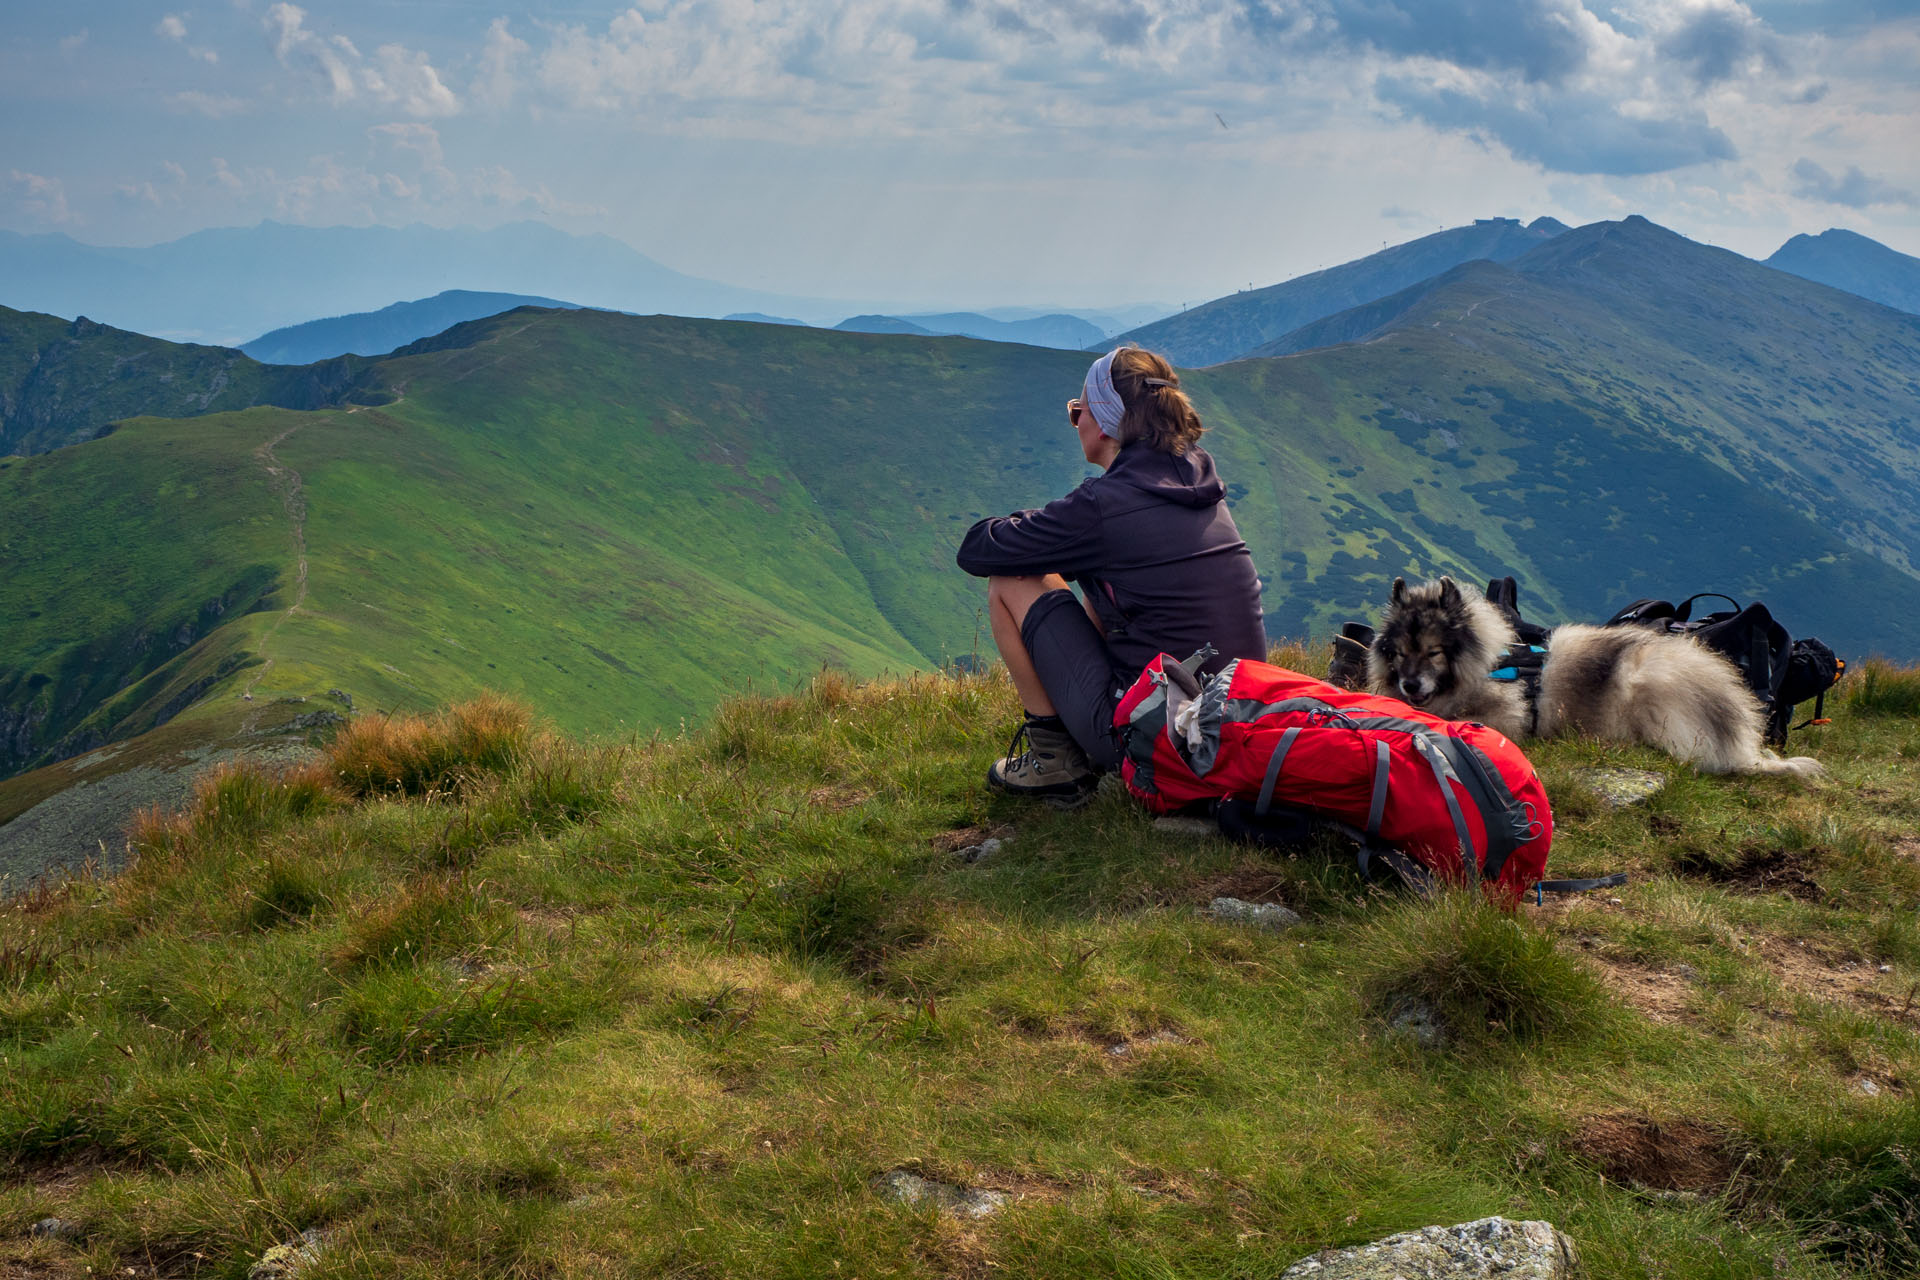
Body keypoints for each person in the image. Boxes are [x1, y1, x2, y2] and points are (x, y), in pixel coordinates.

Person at [956, 345, 1268, 800]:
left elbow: (978, 550)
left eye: (1077, 410)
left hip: (1158, 735)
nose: (1076, 421)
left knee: (1012, 579)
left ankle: (1053, 759)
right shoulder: (1199, 475)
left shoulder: (1103, 508)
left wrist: (1045, 523)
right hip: (1238, 715)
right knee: (1098, 576)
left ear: (1101, 421)